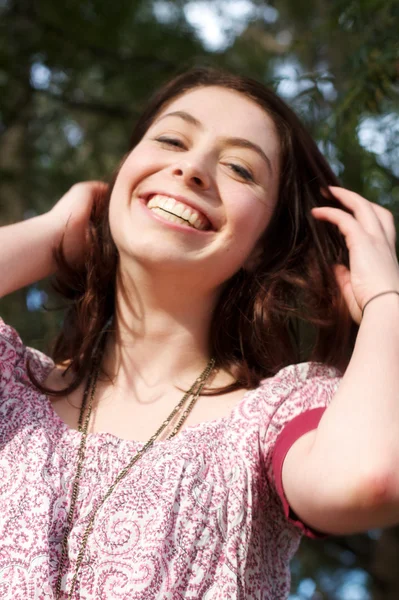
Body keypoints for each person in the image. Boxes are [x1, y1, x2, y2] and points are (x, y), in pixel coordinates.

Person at [0, 66, 398, 600]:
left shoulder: (270, 423)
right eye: (170, 139)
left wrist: (386, 302)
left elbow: (367, 478)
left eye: (239, 168)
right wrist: (53, 232)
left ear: (263, 242)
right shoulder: (13, 389)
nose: (191, 168)